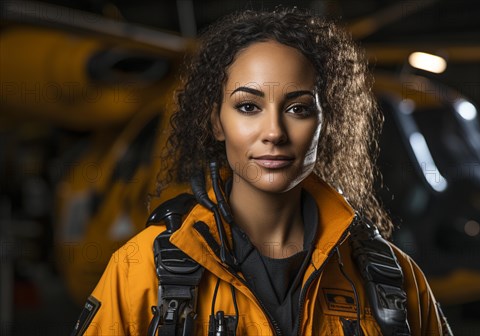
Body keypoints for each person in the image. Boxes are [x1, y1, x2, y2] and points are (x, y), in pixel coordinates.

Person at [71, 8, 452, 336]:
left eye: (298, 108)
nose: (274, 133)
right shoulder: (139, 271)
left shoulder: (395, 280)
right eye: (248, 107)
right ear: (216, 123)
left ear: (325, 123)